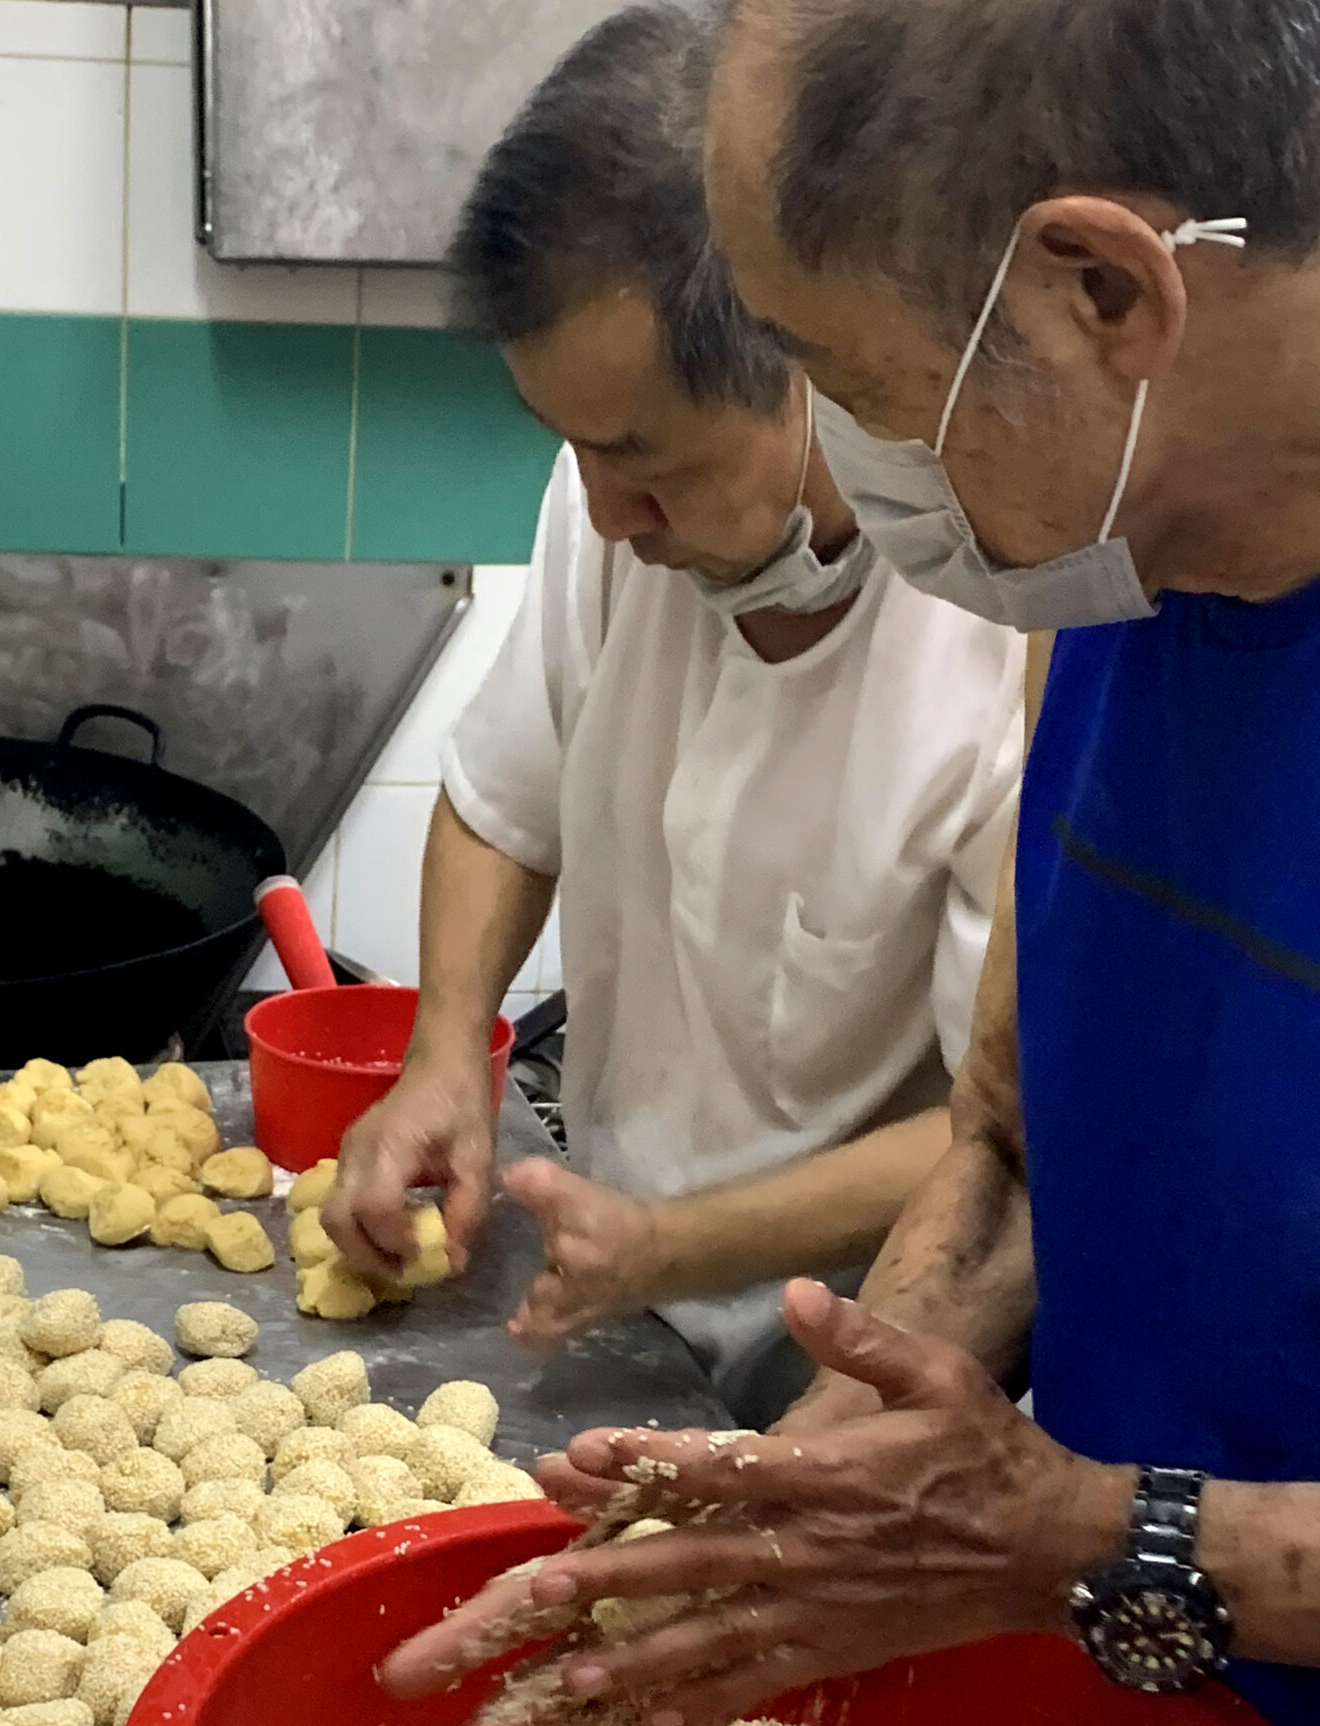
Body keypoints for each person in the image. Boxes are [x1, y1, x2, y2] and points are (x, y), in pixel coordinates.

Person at [383, 0, 1320, 1726]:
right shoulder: (1114, 575)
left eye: (839, 370)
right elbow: (1018, 1137)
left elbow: (1096, 1522)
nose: (830, 450)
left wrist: (1104, 1534)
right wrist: (843, 1478)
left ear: (1100, 292)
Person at [322, 5, 1023, 1423]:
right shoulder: (612, 514)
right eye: (570, 448)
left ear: (819, 367)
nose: (602, 512)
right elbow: (498, 806)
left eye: (645, 459)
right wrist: (449, 1053)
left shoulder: (1000, 637)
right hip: (617, 1292)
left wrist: (669, 1245)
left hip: (852, 1333)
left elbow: (992, 1142)